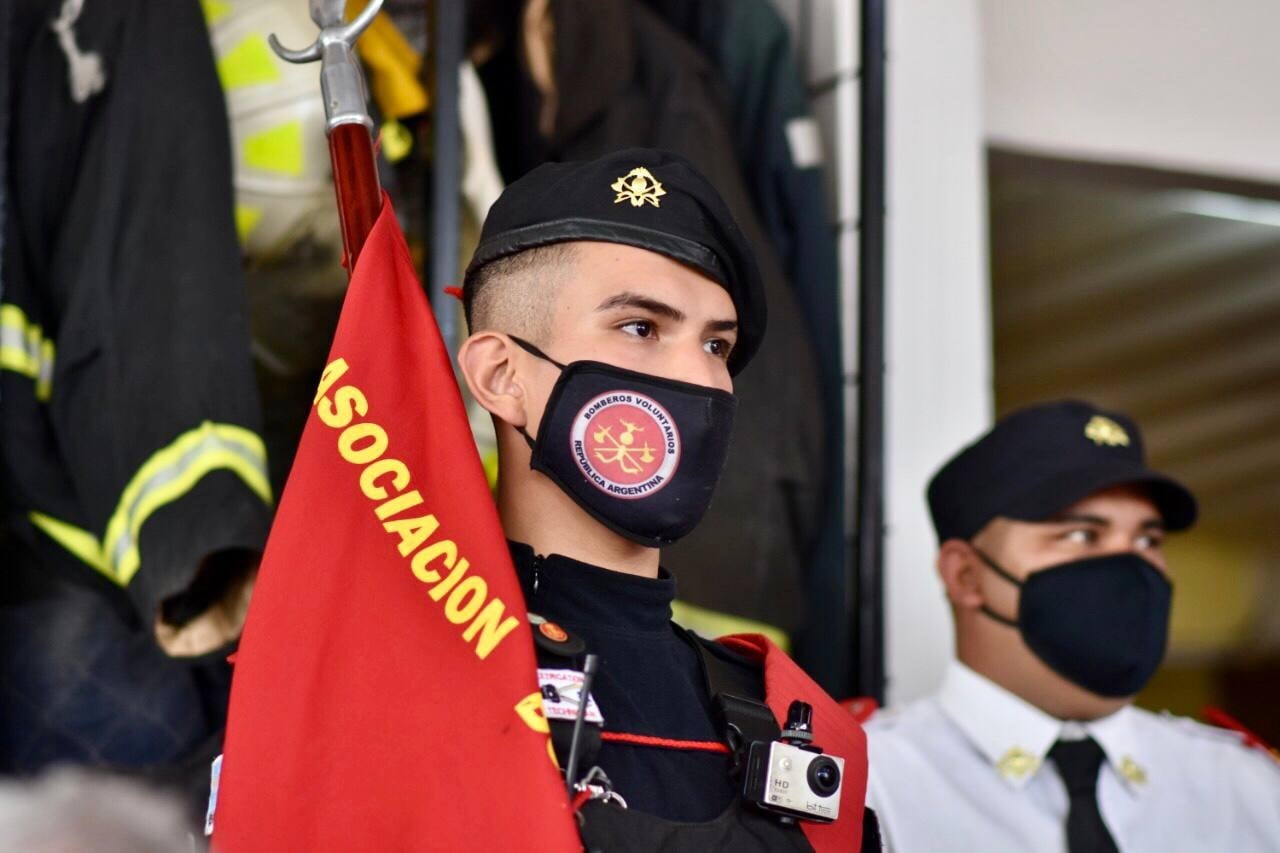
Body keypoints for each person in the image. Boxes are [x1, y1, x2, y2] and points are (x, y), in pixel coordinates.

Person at [456, 147, 872, 850]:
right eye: (641, 328)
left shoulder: (796, 714)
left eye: (716, 345)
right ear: (502, 375)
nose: (700, 379)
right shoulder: (402, 675)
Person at [864, 400, 1280, 851]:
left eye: (1148, 539)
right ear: (966, 575)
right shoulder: (868, 788)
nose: (1130, 565)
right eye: (1081, 535)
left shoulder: (1246, 790)